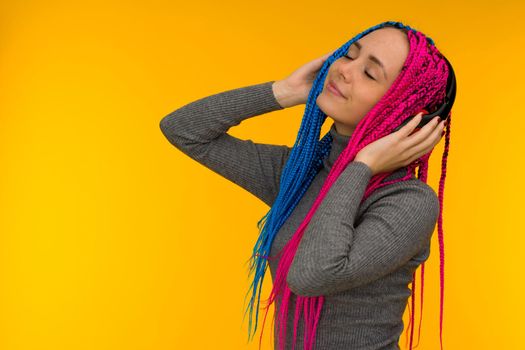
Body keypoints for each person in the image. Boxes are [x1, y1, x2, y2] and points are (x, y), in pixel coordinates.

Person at [160, 20, 451, 350]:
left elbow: (311, 275)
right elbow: (184, 130)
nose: (344, 70)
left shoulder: (409, 202)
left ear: (407, 114)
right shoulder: (300, 173)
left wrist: (361, 167)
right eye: (348, 55)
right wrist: (284, 91)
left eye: (370, 73)